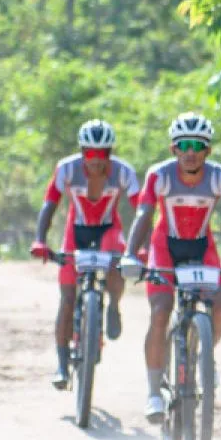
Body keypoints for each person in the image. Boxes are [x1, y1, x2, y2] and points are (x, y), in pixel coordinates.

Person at [122, 112, 221, 423]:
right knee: (161, 310)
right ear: (173, 149)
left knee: (219, 303)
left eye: (198, 145)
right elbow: (144, 215)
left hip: (202, 247)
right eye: (184, 145)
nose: (191, 152)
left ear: (208, 151)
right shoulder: (159, 175)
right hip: (165, 247)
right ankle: (153, 392)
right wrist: (130, 255)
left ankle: (205, 358)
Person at [30, 119, 140, 389]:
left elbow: (142, 211)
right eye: (90, 153)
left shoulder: (124, 172)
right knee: (67, 297)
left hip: (108, 229)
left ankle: (113, 304)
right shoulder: (66, 169)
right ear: (82, 152)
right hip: (76, 230)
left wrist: (141, 248)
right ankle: (61, 363)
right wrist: (40, 240)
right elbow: (50, 204)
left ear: (110, 154)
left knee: (118, 263)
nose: (96, 160)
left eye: (102, 154)